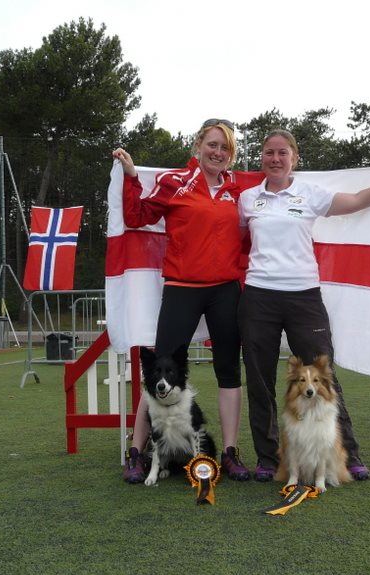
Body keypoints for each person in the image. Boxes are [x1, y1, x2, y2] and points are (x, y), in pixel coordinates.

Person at [238, 129, 370, 482]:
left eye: (282, 153)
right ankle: (269, 460)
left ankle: (348, 454)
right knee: (258, 381)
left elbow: (358, 200)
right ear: (261, 158)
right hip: (258, 295)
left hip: (304, 295)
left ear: (294, 158)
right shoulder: (246, 199)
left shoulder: (310, 194)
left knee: (324, 375)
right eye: (269, 152)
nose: (275, 158)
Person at [112, 119, 263, 484]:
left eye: (225, 148)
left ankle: (229, 452)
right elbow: (137, 216)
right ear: (198, 145)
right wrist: (132, 176)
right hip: (181, 287)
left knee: (229, 369)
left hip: (226, 289)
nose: (218, 152)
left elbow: (282, 181)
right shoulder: (175, 182)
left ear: (232, 154)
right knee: (158, 371)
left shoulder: (239, 188)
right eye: (212, 144)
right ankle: (137, 452)